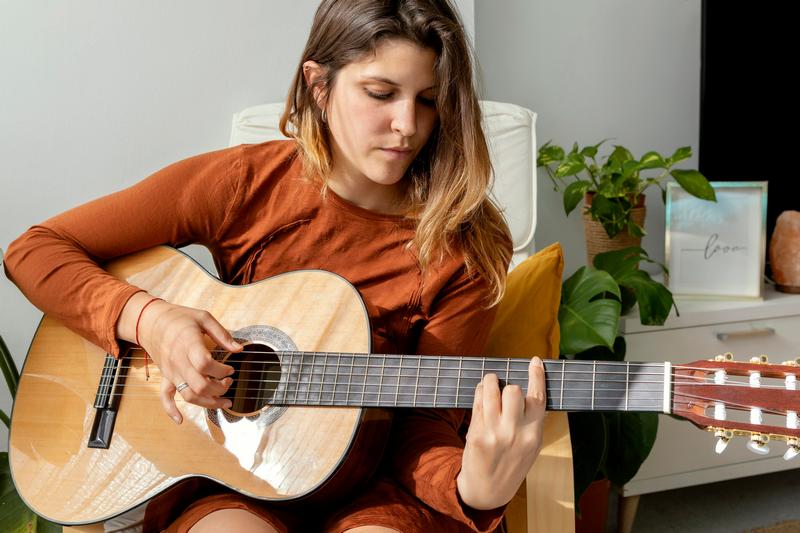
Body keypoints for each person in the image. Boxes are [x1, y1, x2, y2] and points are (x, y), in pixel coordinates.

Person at [3, 1, 547, 532]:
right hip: (231, 471)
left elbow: (424, 424)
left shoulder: (466, 241)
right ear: (318, 83)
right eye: (380, 93)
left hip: (380, 488)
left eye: (428, 101)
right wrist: (151, 321)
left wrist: (473, 487)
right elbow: (35, 250)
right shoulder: (246, 183)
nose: (407, 125)